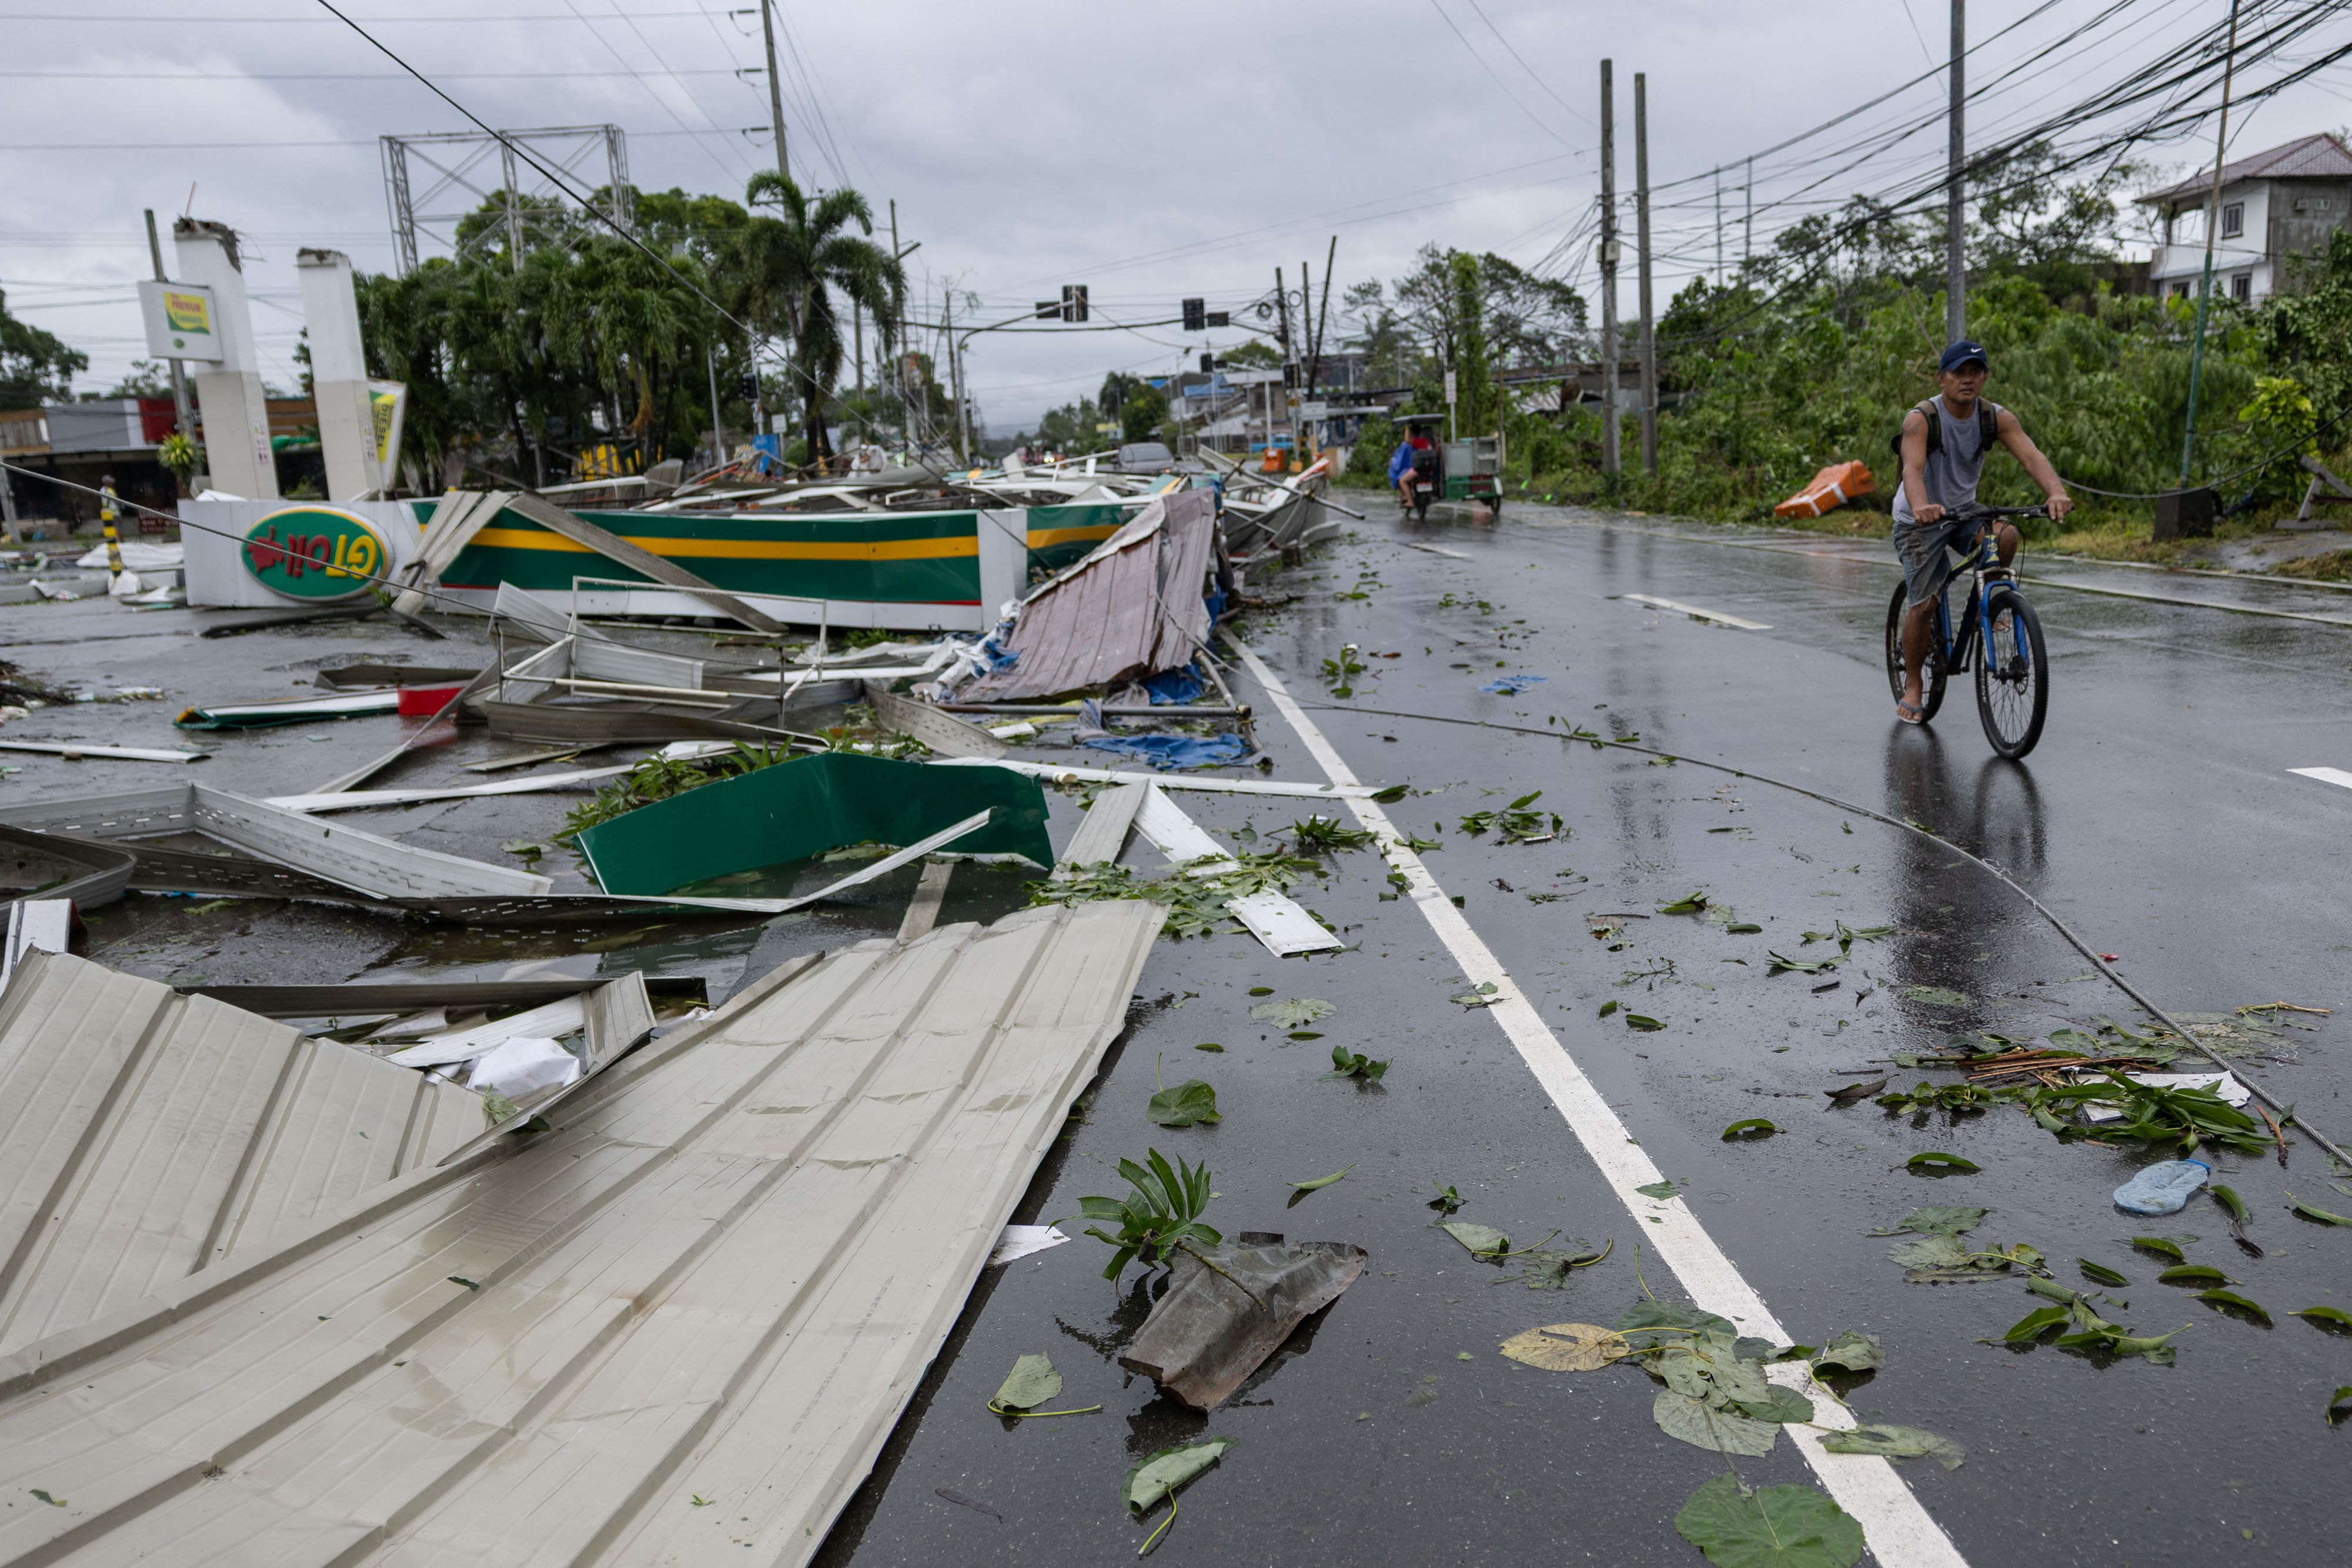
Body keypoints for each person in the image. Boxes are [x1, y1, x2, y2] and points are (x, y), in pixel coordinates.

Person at [1891, 341, 2073, 725]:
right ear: (1942, 378)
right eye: (1959, 372)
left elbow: (2031, 456)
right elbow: (1912, 468)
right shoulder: (1921, 419)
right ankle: (1912, 684)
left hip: (1963, 511)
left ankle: (1983, 611)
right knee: (1924, 604)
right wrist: (1923, 505)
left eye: (1976, 371)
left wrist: (2055, 491)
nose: (1968, 379)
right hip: (1918, 518)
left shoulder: (1995, 417)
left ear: (1986, 376)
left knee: (2006, 535)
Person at [1388, 423, 1435, 509]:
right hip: (1430, 470)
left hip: (1418, 470)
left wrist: (1406, 427)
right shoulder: (1432, 444)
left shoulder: (1420, 442)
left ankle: (1410, 501)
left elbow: (1407, 440)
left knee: (1402, 481)